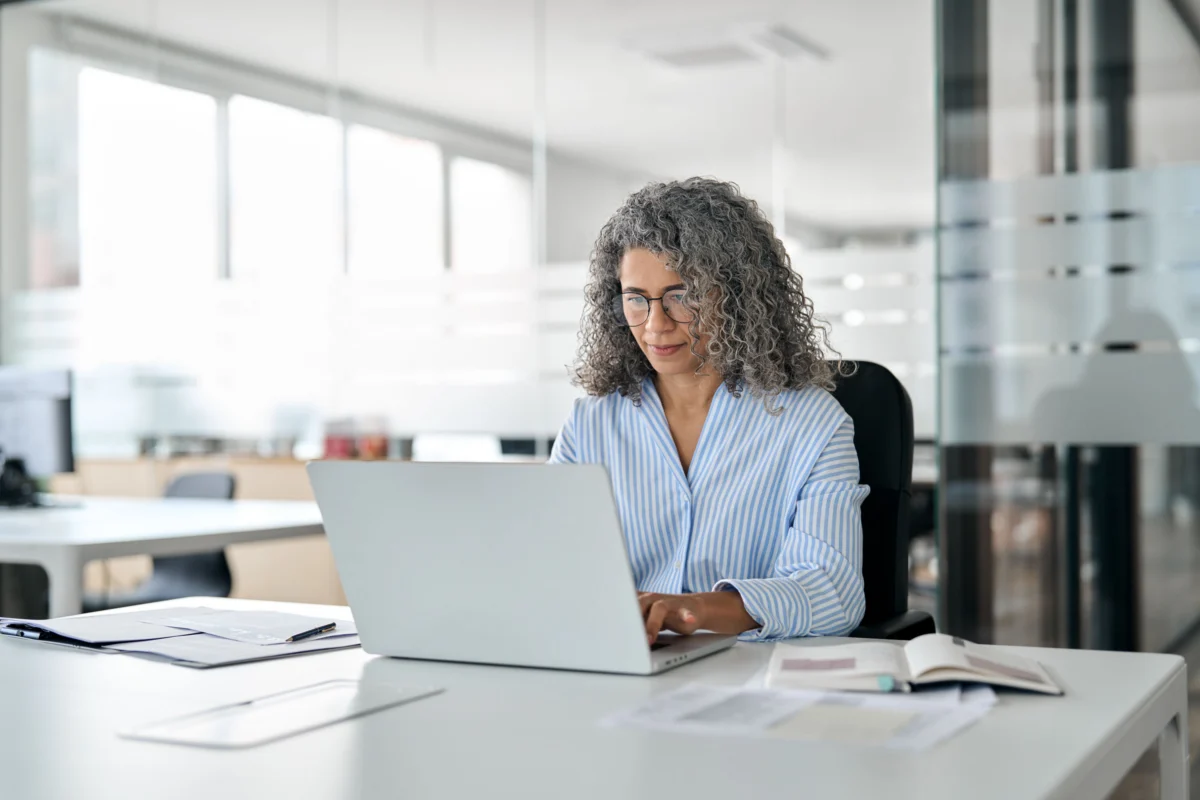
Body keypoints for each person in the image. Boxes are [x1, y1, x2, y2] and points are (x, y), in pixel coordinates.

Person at [548, 177, 868, 643]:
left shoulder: (813, 425)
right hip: (619, 671)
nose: (655, 324)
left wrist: (691, 610)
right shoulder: (589, 425)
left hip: (753, 680)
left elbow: (832, 594)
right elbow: (548, 567)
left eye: (683, 296)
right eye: (636, 298)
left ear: (737, 297)